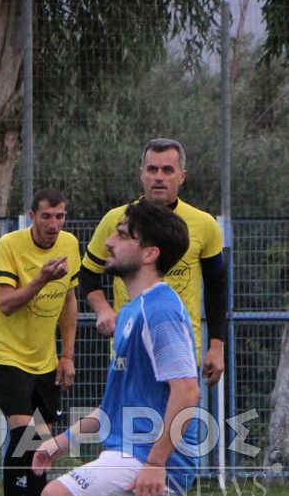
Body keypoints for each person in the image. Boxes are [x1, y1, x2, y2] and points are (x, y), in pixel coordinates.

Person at [33, 199, 201, 496]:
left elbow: (188, 391)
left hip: (150, 459)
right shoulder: (132, 311)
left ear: (150, 253)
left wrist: (155, 462)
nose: (109, 242)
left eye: (123, 235)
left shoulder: (159, 311)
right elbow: (114, 409)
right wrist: (63, 441)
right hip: (131, 453)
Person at [79, 138, 227, 386]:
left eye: (167, 170)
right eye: (152, 169)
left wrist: (216, 347)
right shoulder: (116, 220)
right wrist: (102, 309)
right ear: (141, 174)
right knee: (125, 420)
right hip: (128, 346)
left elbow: (216, 285)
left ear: (182, 176)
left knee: (178, 419)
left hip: (182, 347)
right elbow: (87, 272)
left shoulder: (204, 224)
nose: (159, 177)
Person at [0, 188, 80, 496]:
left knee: (43, 444)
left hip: (46, 361)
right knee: (24, 437)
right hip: (7, 357)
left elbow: (69, 300)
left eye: (60, 216)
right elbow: (6, 304)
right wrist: (41, 280)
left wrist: (66, 357)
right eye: (46, 216)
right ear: (32, 217)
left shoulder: (69, 244)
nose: (54, 224)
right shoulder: (9, 245)